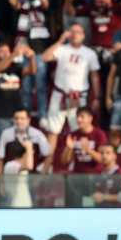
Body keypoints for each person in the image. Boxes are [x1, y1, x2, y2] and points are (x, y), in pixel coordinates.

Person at [40, 24, 101, 152]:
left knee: (78, 130)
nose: (75, 35)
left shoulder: (89, 53)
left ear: (83, 35)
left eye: (78, 32)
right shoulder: (62, 49)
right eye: (72, 32)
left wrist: (96, 97)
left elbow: (94, 76)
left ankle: (75, 161)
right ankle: (48, 164)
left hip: (79, 96)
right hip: (60, 94)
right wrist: (61, 40)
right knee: (53, 130)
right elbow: (45, 57)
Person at [9, 0, 50, 119]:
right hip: (22, 49)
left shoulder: (41, 6)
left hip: (39, 50)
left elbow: (45, 1)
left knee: (40, 85)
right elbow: (12, 1)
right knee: (25, 86)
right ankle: (25, 115)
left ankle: (42, 115)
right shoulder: (23, 7)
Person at [0, 42, 36, 141]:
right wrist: (14, 54)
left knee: (20, 144)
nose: (5, 53)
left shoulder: (16, 67)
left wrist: (31, 58)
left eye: (7, 51)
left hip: (17, 113)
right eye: (1, 51)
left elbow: (32, 71)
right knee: (3, 144)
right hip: (0, 114)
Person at [0, 109, 51, 174]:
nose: (19, 121)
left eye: (22, 119)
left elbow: (48, 155)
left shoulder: (37, 134)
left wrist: (42, 176)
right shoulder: (6, 134)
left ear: (28, 120)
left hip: (33, 176)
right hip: (12, 175)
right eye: (16, 118)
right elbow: (0, 158)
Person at [61, 107, 107, 174]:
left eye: (82, 117)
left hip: (95, 176)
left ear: (90, 118)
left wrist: (88, 150)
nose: (78, 120)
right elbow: (64, 161)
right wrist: (68, 148)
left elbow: (102, 159)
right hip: (78, 176)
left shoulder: (99, 134)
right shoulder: (73, 135)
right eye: (77, 117)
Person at [1, 135, 34, 208]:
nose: (32, 153)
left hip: (25, 204)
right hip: (16, 205)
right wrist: (29, 148)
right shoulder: (10, 165)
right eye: (30, 152)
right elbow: (29, 166)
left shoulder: (18, 167)